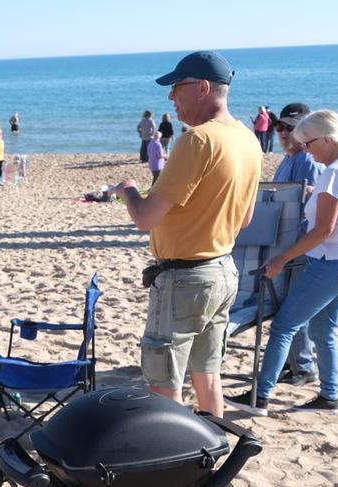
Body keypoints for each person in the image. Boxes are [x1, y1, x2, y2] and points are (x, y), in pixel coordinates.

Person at [117, 51, 262, 416]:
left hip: (186, 277)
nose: (171, 98)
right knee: (208, 375)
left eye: (176, 88)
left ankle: (176, 464)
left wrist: (129, 191)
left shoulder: (198, 140)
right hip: (222, 270)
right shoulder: (248, 139)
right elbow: (245, 219)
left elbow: (146, 218)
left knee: (164, 384)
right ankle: (211, 450)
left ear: (203, 88)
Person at [226, 110, 338, 416]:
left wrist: (281, 258)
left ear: (328, 139)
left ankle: (260, 397)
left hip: (330, 263)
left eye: (309, 142)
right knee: (323, 330)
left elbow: (323, 230)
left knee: (284, 326)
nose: (306, 149)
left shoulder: (335, 172)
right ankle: (329, 396)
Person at [271, 102, 325, 385]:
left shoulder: (306, 159)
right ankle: (293, 364)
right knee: (286, 309)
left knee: (295, 311)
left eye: (290, 128)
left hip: (300, 247)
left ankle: (303, 367)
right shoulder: (288, 159)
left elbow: (315, 206)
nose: (283, 132)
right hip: (285, 246)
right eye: (279, 127)